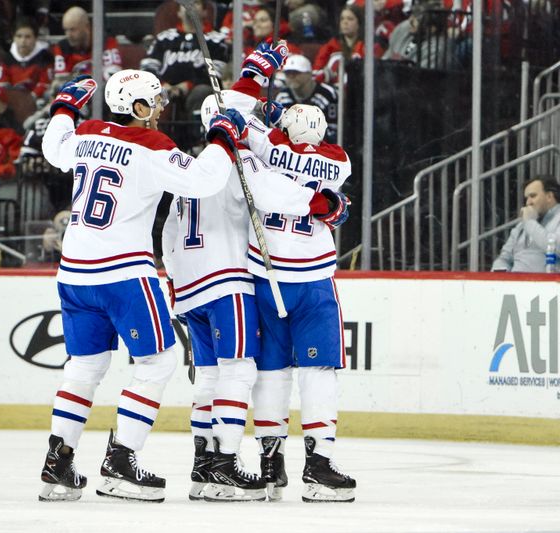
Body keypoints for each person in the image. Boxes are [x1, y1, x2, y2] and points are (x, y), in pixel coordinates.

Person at [38, 69, 238, 503]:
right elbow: (206, 179)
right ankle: (121, 461)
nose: (162, 108)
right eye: (157, 101)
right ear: (139, 108)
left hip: (74, 272)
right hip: (123, 272)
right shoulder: (151, 146)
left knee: (84, 366)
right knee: (160, 360)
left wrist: (63, 108)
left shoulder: (86, 133)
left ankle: (58, 463)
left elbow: (53, 148)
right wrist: (224, 137)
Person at [162, 59, 344, 501]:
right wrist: (328, 205)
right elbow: (279, 184)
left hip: (232, 279)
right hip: (281, 279)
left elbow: (169, 231)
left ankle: (259, 461)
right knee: (291, 371)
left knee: (262, 373)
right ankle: (313, 464)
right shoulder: (327, 160)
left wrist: (253, 83)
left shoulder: (199, 164)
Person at [229, 45, 356, 503]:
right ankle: (319, 464)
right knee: (319, 372)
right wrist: (330, 206)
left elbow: (240, 114)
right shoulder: (337, 161)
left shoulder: (266, 148)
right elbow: (323, 192)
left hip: (265, 277)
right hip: (314, 278)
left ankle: (269, 462)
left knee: (272, 372)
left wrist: (255, 74)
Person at [139, 0, 230, 147]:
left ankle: (198, 145)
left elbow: (216, 73)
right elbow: (147, 66)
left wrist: (188, 85)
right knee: (145, 93)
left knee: (203, 92)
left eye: (196, 3)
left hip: (196, 90)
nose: (190, 5)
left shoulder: (216, 40)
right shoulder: (164, 38)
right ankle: (147, 144)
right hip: (163, 89)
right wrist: (160, 85)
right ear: (178, 12)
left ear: (205, 12)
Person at [492, 177, 560, 273]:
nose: (528, 202)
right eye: (526, 198)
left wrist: (530, 223)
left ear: (549, 196)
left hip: (547, 284)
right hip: (514, 284)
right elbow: (504, 258)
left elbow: (557, 247)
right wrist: (499, 278)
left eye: (532, 196)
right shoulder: (522, 225)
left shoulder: (530, 221)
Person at [275, 54, 339, 144]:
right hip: (292, 149)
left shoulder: (328, 94)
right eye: (288, 73)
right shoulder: (282, 96)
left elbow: (334, 131)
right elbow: (279, 129)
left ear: (309, 74)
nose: (291, 76)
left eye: (296, 73)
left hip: (322, 148)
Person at [313, 4, 383, 84]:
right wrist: (327, 74)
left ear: (359, 23)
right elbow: (315, 74)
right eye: (342, 19)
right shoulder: (329, 47)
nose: (345, 22)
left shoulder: (369, 47)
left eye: (350, 19)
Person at [52, 6, 121, 82]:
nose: (69, 35)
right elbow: (61, 80)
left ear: (87, 27)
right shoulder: (61, 47)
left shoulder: (106, 42)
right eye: (66, 30)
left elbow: (113, 75)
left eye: (73, 29)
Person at [0, 18, 53, 100]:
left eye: (28, 37)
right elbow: (1, 84)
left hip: (37, 101)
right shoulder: (7, 58)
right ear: (13, 38)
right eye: (19, 36)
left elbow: (45, 84)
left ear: (35, 38)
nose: (23, 41)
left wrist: (29, 99)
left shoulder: (45, 57)